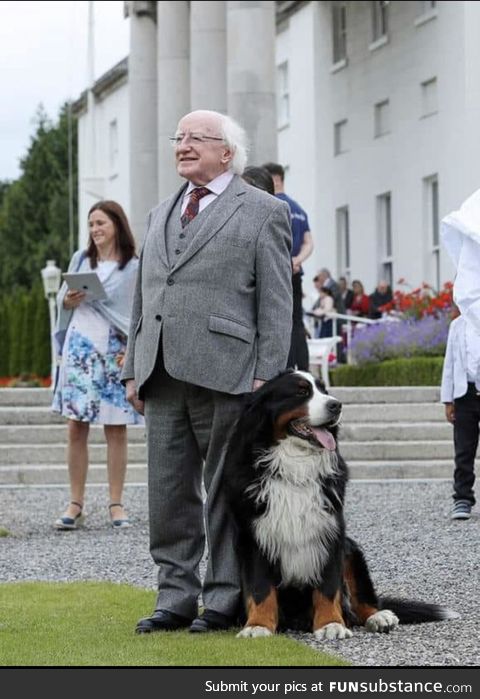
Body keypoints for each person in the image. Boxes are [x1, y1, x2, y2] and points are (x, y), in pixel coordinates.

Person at [122, 110, 293, 634]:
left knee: (223, 490)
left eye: (197, 137)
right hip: (160, 370)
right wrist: (132, 366)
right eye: (178, 137)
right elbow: (145, 294)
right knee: (168, 492)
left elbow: (276, 302)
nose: (183, 145)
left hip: (231, 371)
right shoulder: (158, 213)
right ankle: (174, 596)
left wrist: (267, 375)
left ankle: (223, 597)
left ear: (228, 152)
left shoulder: (263, 210)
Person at [52, 200, 141, 531]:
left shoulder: (133, 265)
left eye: (100, 223)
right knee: (76, 425)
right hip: (81, 348)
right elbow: (63, 299)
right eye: (91, 224)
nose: (95, 230)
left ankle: (116, 503)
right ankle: (75, 502)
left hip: (115, 349)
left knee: (115, 427)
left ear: (116, 224)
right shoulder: (81, 258)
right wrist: (68, 299)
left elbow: (136, 309)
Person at [263, 161, 313, 371]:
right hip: (295, 272)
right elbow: (309, 242)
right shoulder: (299, 209)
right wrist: (298, 260)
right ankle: (303, 367)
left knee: (279, 321)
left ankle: (286, 367)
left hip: (278, 273)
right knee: (297, 322)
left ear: (273, 179)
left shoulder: (271, 205)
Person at [441, 306, 478, 520]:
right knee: (464, 450)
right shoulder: (458, 326)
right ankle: (462, 497)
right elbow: (450, 364)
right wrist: (448, 399)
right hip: (465, 395)